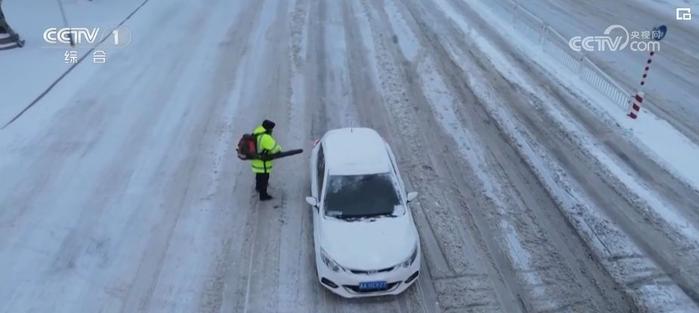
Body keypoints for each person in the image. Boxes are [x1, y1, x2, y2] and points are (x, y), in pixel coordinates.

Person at [251, 120, 281, 201]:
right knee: (264, 178)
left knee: (259, 176)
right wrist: (279, 150)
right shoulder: (265, 137)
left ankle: (258, 187)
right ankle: (263, 195)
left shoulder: (256, 132)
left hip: (255, 160)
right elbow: (275, 148)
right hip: (263, 162)